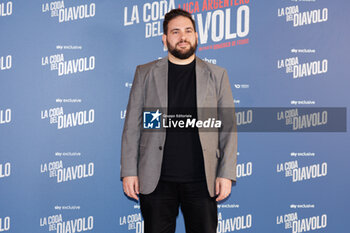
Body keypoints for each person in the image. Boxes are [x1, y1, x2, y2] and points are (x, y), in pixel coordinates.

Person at [121, 8, 237, 233]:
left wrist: (226, 173)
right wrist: (129, 170)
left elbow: (228, 128)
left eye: (188, 31)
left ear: (196, 36)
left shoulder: (217, 75)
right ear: (165, 40)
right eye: (175, 32)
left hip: (202, 180)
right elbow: (133, 125)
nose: (182, 37)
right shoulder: (145, 73)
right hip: (156, 179)